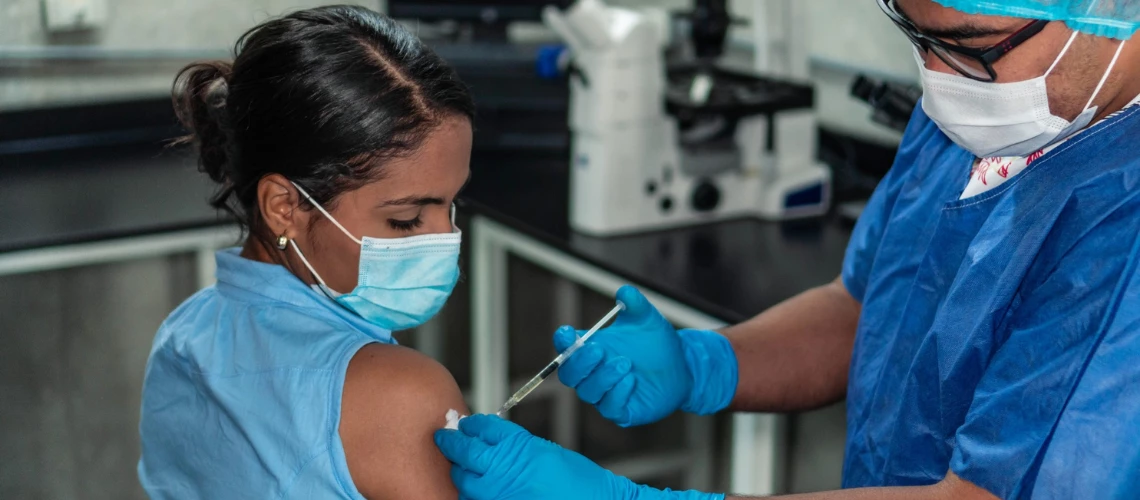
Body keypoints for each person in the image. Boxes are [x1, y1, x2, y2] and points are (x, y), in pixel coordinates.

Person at [434, 0, 1140, 498]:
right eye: (914, 32)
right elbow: (866, 308)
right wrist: (709, 362)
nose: (937, 74)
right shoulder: (974, 121)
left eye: (967, 45)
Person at [137, 5, 475, 498]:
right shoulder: (404, 394)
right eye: (405, 219)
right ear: (285, 206)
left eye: (452, 202)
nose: (445, 238)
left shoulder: (181, 336)